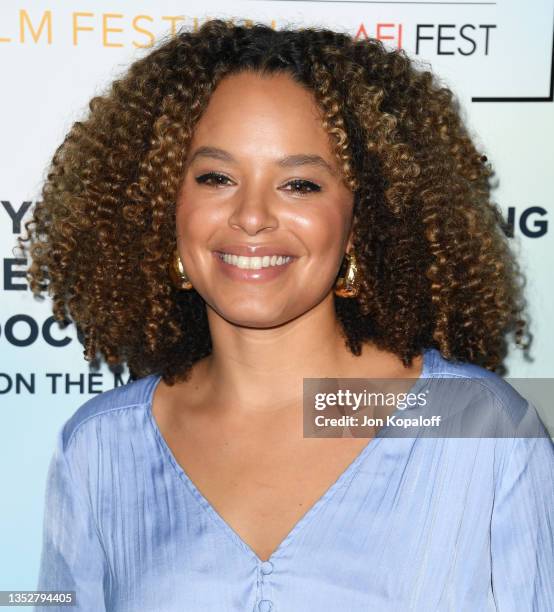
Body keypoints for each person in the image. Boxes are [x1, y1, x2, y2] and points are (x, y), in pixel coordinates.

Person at [22, 18, 553, 612]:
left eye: (299, 184)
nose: (252, 216)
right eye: (216, 177)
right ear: (164, 208)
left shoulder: (478, 429)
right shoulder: (99, 446)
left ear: (363, 219)